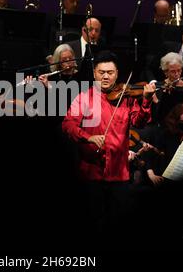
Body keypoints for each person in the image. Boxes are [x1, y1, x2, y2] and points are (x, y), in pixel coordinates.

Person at [62, 51, 155, 236]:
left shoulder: (127, 98)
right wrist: (87, 137)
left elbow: (140, 122)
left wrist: (146, 99)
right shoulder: (83, 98)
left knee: (118, 225)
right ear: (94, 73)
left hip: (119, 175)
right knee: (91, 224)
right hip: (91, 174)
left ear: (117, 73)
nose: (105, 76)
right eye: (101, 72)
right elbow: (68, 124)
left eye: (110, 72)